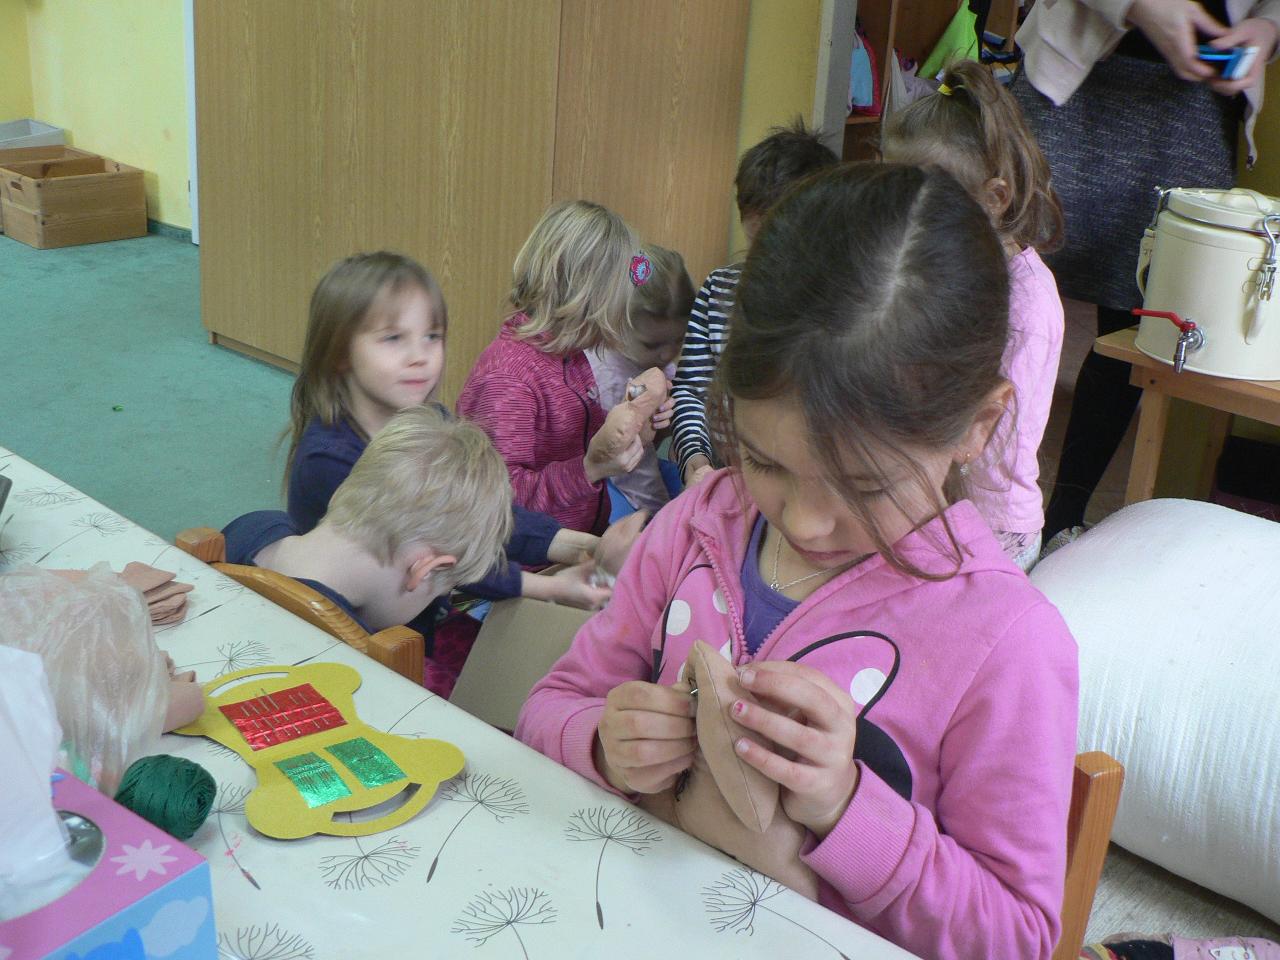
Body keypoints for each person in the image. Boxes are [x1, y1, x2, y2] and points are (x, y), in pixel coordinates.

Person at [516, 164, 1078, 960]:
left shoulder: (1007, 643)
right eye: (765, 461)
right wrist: (605, 744)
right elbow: (549, 706)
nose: (806, 520)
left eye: (865, 485)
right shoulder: (696, 525)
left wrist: (848, 806)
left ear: (977, 426)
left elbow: (1017, 938)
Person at [1010, 0, 1280, 541]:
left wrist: (1269, 26)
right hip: (1070, 81)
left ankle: (1058, 522)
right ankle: (957, 508)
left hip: (1195, 109)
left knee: (1137, 328)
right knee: (1000, 298)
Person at [283, 251, 607, 610]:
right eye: (393, 338)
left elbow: (475, 515)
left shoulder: (429, 423)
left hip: (418, 608)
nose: (419, 356)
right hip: (357, 628)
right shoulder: (329, 462)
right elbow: (438, 555)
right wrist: (549, 587)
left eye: (432, 336)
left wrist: (573, 545)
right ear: (339, 353)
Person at [882, 58, 1066, 570]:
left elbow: (986, 438)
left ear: (994, 197)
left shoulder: (1026, 305)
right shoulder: (954, 263)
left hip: (991, 525)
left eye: (921, 201)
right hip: (939, 499)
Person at [457, 201, 674, 534]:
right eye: (622, 299)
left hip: (575, 540)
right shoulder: (509, 378)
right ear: (590, 296)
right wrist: (589, 468)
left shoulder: (569, 355)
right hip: (530, 558)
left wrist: (640, 426)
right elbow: (499, 503)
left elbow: (588, 442)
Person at [228, 406, 511, 636]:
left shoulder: (254, 526)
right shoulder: (354, 649)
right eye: (439, 593)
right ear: (424, 570)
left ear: (342, 490)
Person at [669, 120, 839, 487]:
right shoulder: (718, 290)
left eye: (779, 249)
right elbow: (690, 391)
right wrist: (695, 459)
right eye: (754, 245)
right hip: (720, 478)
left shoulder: (838, 305)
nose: (764, 263)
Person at [586, 243, 693, 515]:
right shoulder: (611, 379)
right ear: (614, 322)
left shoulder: (650, 361)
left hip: (638, 463)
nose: (667, 355)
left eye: (678, 340)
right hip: (608, 477)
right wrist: (659, 516)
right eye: (652, 345)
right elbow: (631, 469)